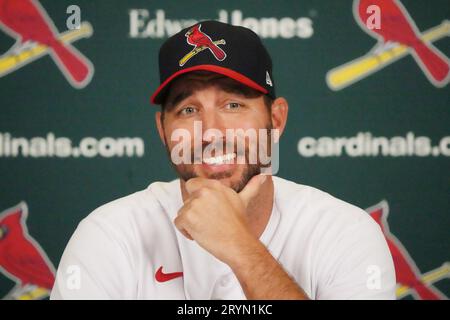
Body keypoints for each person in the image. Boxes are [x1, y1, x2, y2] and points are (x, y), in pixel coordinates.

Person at [51, 20, 396, 300]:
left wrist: (240, 247)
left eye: (233, 105)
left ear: (275, 120)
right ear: (162, 129)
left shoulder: (344, 232)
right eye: (188, 109)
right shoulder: (110, 234)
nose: (211, 132)